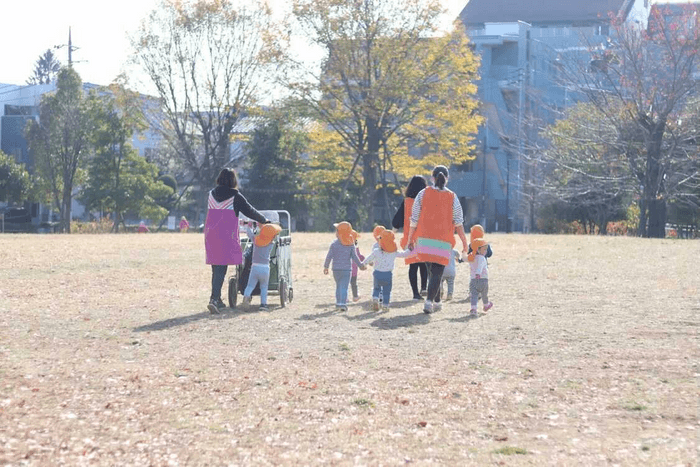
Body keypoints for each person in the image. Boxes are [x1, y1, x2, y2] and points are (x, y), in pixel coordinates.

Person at [204, 168, 269, 315]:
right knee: (221, 267)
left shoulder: (210, 195)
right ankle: (214, 299)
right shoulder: (235, 196)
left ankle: (217, 299)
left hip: (211, 235)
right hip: (226, 235)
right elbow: (249, 210)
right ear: (233, 180)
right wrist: (264, 220)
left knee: (216, 267)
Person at [405, 165, 469, 314]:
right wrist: (465, 244)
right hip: (443, 241)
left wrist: (410, 239)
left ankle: (437, 301)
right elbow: (459, 223)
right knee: (437, 274)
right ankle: (429, 303)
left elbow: (413, 220)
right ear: (448, 178)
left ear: (432, 178)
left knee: (432, 272)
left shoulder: (422, 194)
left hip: (424, 240)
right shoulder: (452, 196)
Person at [392, 175, 428, 300]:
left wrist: (393, 232)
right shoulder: (426, 201)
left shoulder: (407, 202)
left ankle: (415, 294)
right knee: (424, 265)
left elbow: (397, 220)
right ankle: (424, 287)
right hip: (424, 238)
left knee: (413, 266)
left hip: (410, 239)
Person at [360, 229, 414, 312]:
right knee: (386, 291)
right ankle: (385, 305)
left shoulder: (376, 251)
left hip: (377, 273)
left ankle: (375, 299)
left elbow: (368, 259)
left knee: (376, 288)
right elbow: (404, 254)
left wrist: (363, 264)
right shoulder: (394, 252)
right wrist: (410, 249)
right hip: (388, 275)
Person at [323, 221, 365, 311]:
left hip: (336, 270)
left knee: (338, 286)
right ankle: (342, 304)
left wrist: (326, 267)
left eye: (336, 230)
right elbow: (355, 257)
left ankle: (338, 303)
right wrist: (360, 265)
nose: (335, 232)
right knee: (344, 287)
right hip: (346, 270)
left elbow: (329, 256)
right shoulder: (351, 244)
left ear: (339, 233)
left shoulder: (334, 244)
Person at [242, 222, 282, 311]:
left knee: (250, 286)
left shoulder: (256, 240)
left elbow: (249, 233)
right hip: (265, 268)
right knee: (264, 287)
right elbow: (273, 236)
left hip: (255, 267)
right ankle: (263, 305)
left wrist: (249, 226)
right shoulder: (270, 243)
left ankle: (246, 298)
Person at [467, 238, 493, 317]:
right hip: (483, 279)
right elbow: (480, 267)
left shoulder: (471, 257)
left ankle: (473, 309)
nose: (486, 251)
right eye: (484, 249)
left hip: (473, 280)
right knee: (484, 294)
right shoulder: (482, 258)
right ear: (478, 249)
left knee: (474, 295)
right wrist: (478, 273)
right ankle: (486, 305)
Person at [466, 224, 493, 302]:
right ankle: (481, 292)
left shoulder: (471, 245)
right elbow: (490, 254)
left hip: (474, 266)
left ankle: (472, 291)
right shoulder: (485, 243)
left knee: (473, 279)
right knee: (483, 279)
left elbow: (468, 254)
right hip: (483, 266)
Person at [350, 232, 366, 302]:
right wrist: (366, 260)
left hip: (344, 269)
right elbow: (359, 256)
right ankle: (355, 296)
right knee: (353, 283)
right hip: (353, 270)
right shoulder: (355, 248)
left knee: (344, 284)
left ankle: (344, 298)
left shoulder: (343, 246)